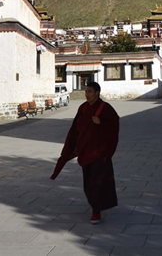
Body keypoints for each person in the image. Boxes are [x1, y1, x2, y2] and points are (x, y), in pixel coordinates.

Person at [51, 82, 119, 224]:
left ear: (97, 93)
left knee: (97, 182)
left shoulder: (105, 108)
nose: (86, 94)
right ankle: (94, 204)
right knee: (88, 182)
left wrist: (101, 123)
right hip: (85, 152)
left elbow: (114, 126)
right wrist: (70, 148)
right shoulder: (83, 108)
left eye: (89, 91)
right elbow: (75, 129)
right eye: (86, 91)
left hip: (99, 153)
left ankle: (96, 210)